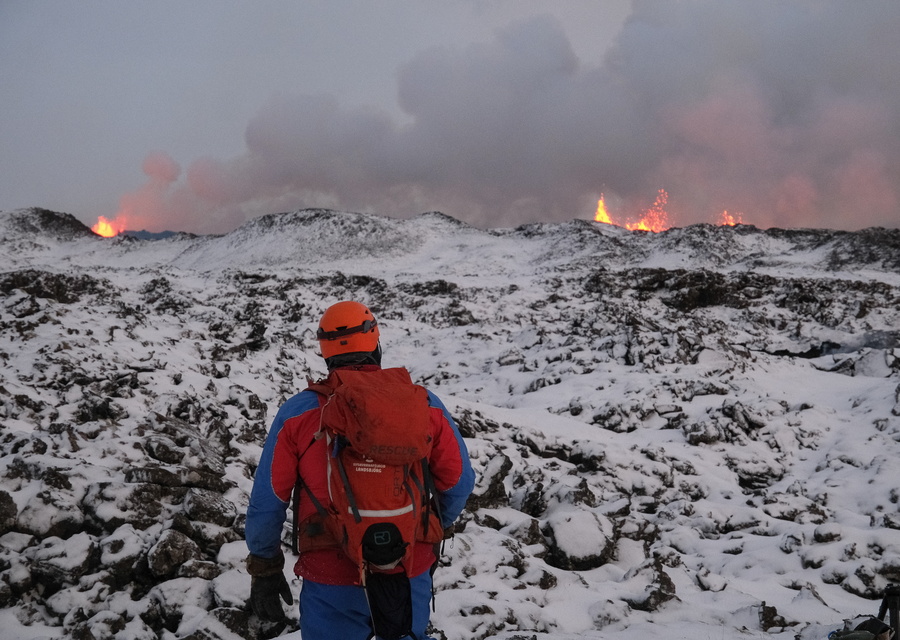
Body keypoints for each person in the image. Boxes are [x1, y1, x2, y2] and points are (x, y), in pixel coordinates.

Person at [245, 300, 476, 639]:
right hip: (407, 565)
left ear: (326, 352)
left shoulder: (297, 413)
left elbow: (269, 500)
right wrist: (424, 528)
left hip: (330, 572)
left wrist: (264, 565)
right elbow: (459, 482)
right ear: (375, 344)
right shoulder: (423, 404)